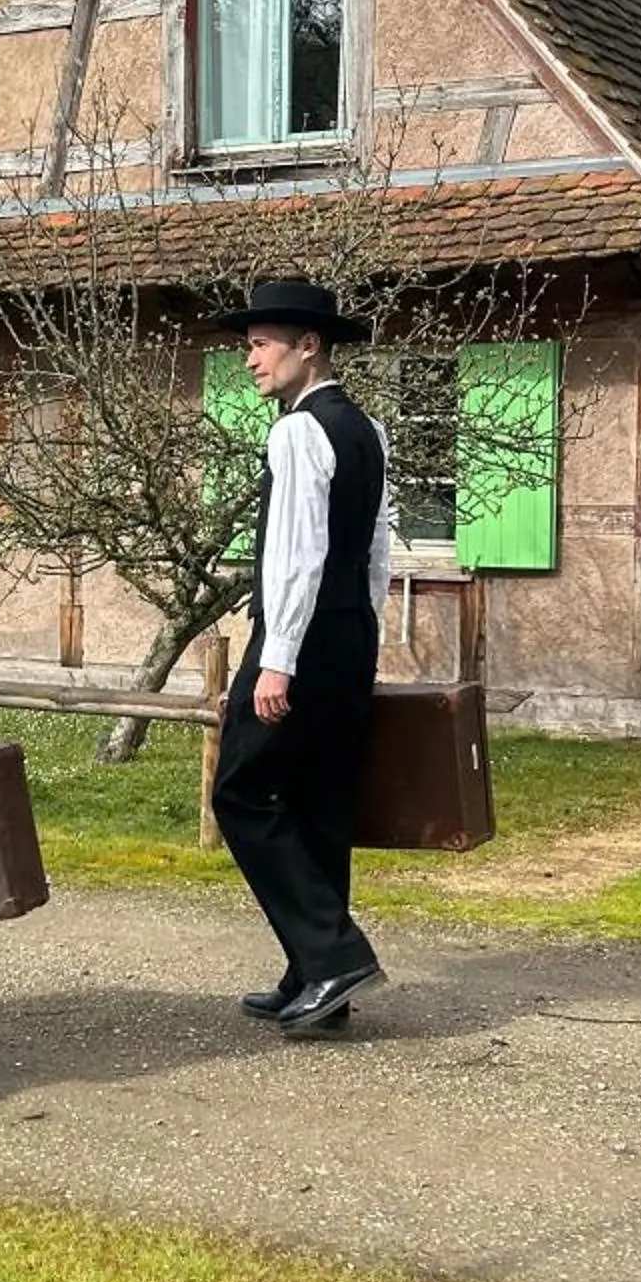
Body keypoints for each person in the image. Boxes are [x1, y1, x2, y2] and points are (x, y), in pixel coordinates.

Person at [207, 277, 393, 1037]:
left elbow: (295, 554)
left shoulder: (296, 432)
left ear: (306, 346)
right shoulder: (369, 430)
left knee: (243, 793)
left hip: (303, 637)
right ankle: (314, 975)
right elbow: (377, 548)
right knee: (319, 801)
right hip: (347, 634)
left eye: (260, 345)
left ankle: (332, 955)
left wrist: (278, 656)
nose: (250, 360)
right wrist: (366, 632)